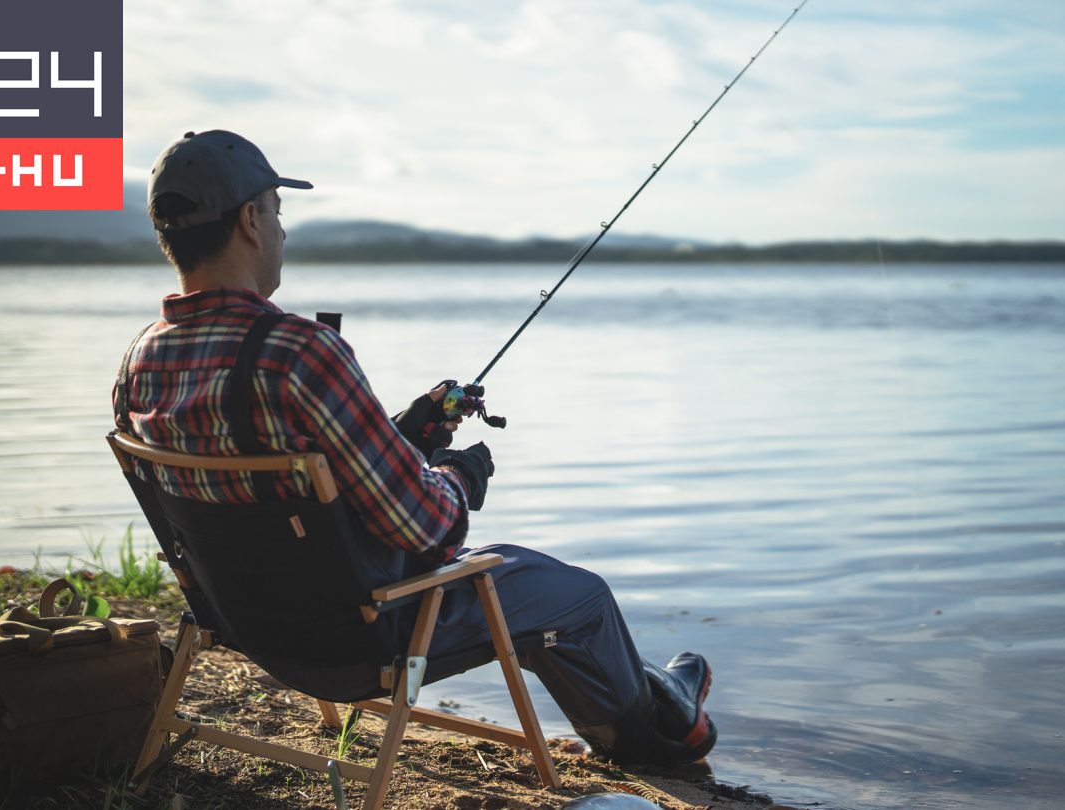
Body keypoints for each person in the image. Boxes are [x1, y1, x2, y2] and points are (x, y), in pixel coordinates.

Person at [114, 129, 714, 764]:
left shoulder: (139, 361)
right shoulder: (299, 352)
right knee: (577, 595)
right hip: (358, 642)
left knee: (536, 591)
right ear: (250, 221)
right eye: (277, 212)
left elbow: (279, 478)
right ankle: (653, 737)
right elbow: (429, 528)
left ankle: (662, 695)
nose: (282, 232)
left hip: (246, 628)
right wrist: (459, 474)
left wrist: (403, 435)